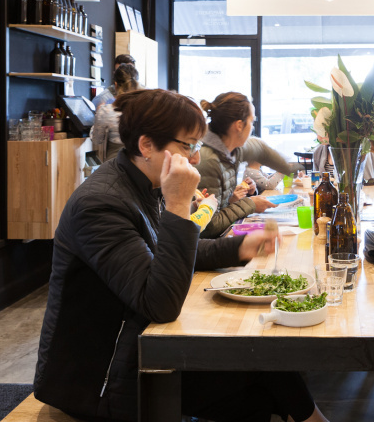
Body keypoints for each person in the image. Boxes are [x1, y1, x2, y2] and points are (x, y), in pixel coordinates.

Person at [34, 89, 329, 422]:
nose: (196, 158)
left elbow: (166, 253)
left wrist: (238, 247)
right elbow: (160, 302)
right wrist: (177, 204)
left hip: (138, 351)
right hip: (100, 382)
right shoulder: (100, 204)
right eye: (188, 145)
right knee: (257, 371)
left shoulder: (143, 184)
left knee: (263, 369)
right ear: (146, 145)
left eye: (197, 145)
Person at [197, 93, 303, 238]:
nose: (252, 127)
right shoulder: (208, 160)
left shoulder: (233, 148)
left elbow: (261, 150)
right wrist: (250, 204)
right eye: (252, 121)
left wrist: (291, 169)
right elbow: (209, 226)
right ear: (239, 126)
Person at [90, 63, 140, 161]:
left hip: (115, 164)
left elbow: (96, 140)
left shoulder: (106, 111)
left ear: (116, 85)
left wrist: (97, 119)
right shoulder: (145, 109)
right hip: (141, 164)